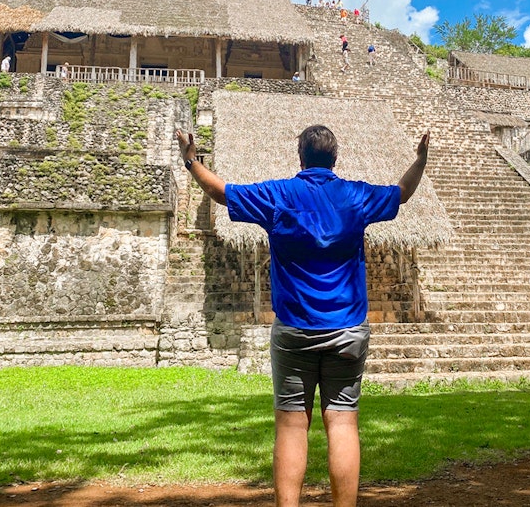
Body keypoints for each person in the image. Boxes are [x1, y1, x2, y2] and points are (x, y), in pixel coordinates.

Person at [176, 125, 429, 507]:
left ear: (300, 158)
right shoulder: (354, 196)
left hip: (294, 329)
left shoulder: (278, 195)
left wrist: (191, 160)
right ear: (335, 159)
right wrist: (421, 160)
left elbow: (220, 193)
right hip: (347, 330)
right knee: (342, 422)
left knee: (292, 426)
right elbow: (403, 193)